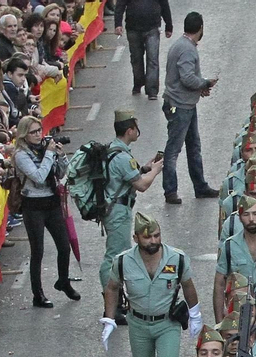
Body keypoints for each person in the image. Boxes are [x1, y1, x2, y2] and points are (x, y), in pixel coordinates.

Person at [103, 213, 203, 357]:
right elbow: (112, 288)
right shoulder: (123, 261)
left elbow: (188, 286)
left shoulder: (176, 258)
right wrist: (109, 320)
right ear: (136, 238)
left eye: (157, 236)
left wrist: (195, 313)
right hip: (138, 323)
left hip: (166, 323)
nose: (153, 241)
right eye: (147, 238)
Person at [95, 111, 167, 297]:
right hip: (117, 210)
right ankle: (111, 298)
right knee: (115, 255)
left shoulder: (116, 151)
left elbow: (126, 175)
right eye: (136, 129)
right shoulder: (122, 157)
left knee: (118, 252)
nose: (138, 132)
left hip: (114, 207)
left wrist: (145, 168)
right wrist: (156, 170)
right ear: (129, 131)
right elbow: (141, 185)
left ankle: (114, 296)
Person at [14, 116, 81, 308]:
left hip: (51, 201)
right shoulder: (21, 155)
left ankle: (64, 281)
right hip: (33, 205)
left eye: (39, 131)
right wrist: (50, 154)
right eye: (33, 132)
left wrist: (60, 155)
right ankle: (38, 294)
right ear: (24, 134)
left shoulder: (45, 148)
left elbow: (60, 173)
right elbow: (38, 176)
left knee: (64, 245)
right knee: (38, 251)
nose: (38, 135)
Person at [161, 11, 219, 203]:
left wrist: (199, 89)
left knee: (194, 147)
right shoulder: (187, 49)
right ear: (200, 28)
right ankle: (170, 190)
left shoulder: (182, 44)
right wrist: (204, 83)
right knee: (174, 149)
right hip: (180, 106)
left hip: (186, 103)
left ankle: (200, 186)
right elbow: (186, 78)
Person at [116, 0, 175, 99]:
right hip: (133, 28)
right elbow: (120, 4)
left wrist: (169, 26)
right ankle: (138, 82)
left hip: (152, 28)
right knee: (136, 58)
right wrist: (118, 24)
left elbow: (164, 4)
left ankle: (152, 90)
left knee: (152, 59)